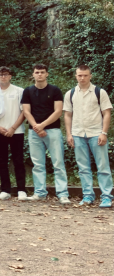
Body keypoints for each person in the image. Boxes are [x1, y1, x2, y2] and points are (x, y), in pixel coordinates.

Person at [63, 65, 113, 208]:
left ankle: (106, 197)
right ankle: (88, 196)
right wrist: (69, 134)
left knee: (103, 167)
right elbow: (67, 114)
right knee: (83, 168)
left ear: (90, 76)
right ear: (75, 76)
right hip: (78, 134)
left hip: (96, 133)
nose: (82, 78)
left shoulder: (99, 92)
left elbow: (107, 113)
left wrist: (104, 133)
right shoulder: (70, 94)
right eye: (80, 75)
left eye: (85, 75)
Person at [21, 64, 69, 204]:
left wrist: (42, 125)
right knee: (38, 164)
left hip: (53, 130)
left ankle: (62, 193)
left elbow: (58, 111)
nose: (40, 74)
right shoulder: (28, 91)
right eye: (37, 72)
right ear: (33, 74)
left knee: (58, 162)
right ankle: (40, 193)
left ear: (47, 74)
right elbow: (26, 111)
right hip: (34, 132)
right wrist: (36, 127)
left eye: (42, 72)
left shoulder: (55, 90)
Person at [0, 66, 28, 201]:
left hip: (16, 131)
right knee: (2, 161)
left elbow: (24, 112)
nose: (3, 77)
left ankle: (21, 190)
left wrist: (13, 128)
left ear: (10, 76)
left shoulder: (19, 91)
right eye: (0, 75)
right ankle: (5, 190)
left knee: (18, 160)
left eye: (6, 74)